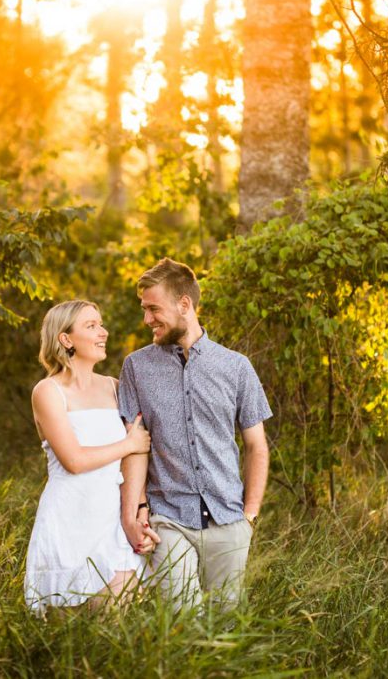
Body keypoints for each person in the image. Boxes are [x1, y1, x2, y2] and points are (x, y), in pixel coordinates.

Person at [118, 258, 272, 611]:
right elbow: (135, 448)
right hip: (168, 519)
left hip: (229, 519)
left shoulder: (236, 367)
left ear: (184, 304)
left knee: (225, 625)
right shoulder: (136, 368)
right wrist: (137, 509)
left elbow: (256, 446)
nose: (147, 319)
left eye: (153, 308)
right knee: (179, 622)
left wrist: (249, 516)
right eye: (144, 309)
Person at [24, 300, 157, 614]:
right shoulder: (48, 392)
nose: (104, 332)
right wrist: (128, 444)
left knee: (115, 626)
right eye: (91, 326)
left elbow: (137, 457)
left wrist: (140, 511)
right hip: (67, 521)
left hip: (111, 522)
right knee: (67, 638)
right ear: (66, 339)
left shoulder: (115, 388)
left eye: (101, 324)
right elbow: (75, 460)